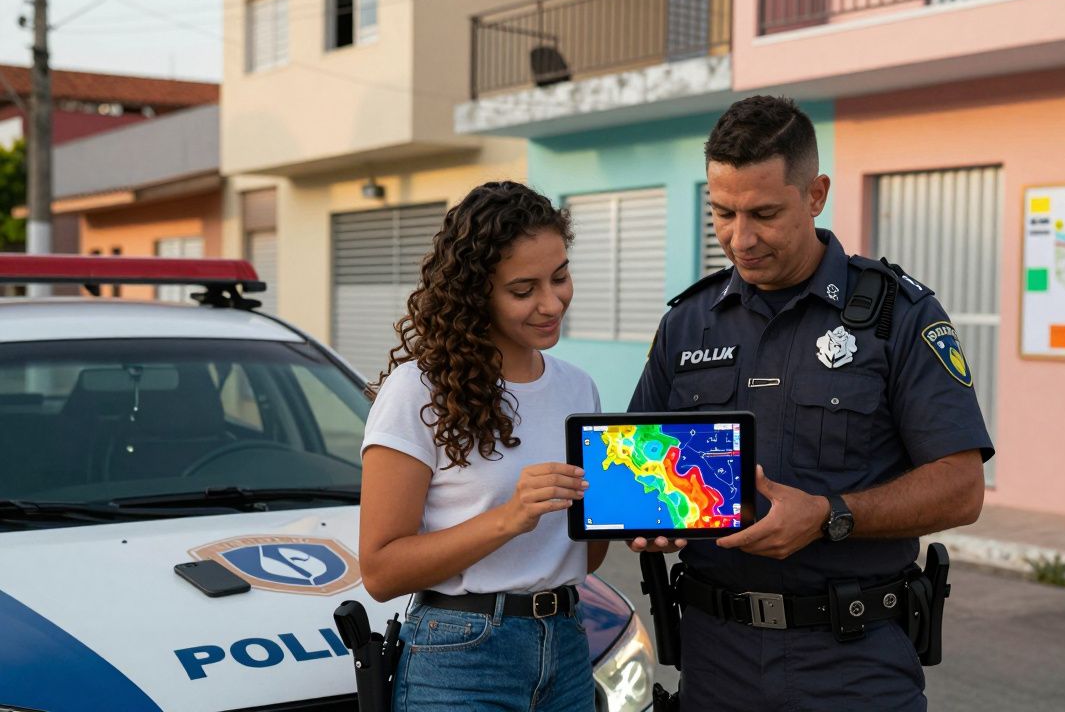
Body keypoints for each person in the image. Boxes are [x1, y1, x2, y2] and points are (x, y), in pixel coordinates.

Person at [628, 96, 994, 711]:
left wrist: (830, 514)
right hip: (715, 660)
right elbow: (639, 466)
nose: (740, 239)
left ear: (816, 193)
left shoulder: (897, 316)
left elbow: (962, 489)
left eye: (764, 213)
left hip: (852, 662)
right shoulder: (689, 323)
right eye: (722, 213)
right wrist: (652, 519)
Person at [358, 181, 606, 711]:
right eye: (523, 289)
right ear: (477, 293)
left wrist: (641, 518)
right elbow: (380, 572)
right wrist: (509, 516)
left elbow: (584, 554)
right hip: (461, 655)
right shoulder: (418, 389)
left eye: (560, 277)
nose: (550, 302)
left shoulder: (578, 387)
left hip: (566, 642)